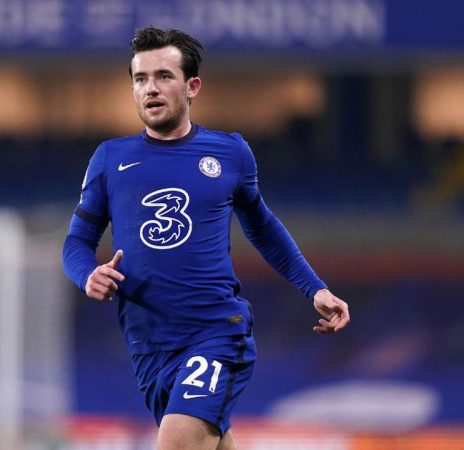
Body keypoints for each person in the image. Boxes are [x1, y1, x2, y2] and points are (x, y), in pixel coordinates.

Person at [62, 25, 350, 450]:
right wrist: (88, 274)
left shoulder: (229, 153)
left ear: (192, 86)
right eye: (140, 79)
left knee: (177, 443)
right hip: (149, 344)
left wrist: (315, 288)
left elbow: (263, 227)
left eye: (164, 76)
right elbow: (76, 243)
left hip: (215, 332)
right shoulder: (110, 159)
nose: (150, 88)